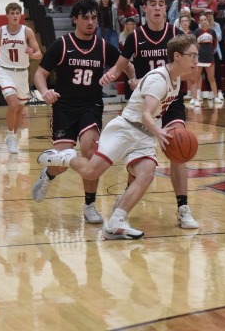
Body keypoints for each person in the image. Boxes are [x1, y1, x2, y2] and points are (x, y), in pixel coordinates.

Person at [38, 33, 199, 239]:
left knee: (146, 174)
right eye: (192, 55)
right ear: (177, 56)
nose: (196, 60)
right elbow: (146, 114)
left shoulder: (174, 80)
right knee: (91, 172)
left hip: (144, 136)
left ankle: (116, 222)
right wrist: (159, 131)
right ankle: (63, 157)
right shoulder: (159, 80)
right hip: (126, 129)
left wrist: (154, 131)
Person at [99, 0, 200, 229]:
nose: (157, 8)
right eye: (152, 4)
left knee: (177, 147)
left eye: (161, 4)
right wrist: (111, 75)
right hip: (147, 102)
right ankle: (124, 202)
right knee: (138, 158)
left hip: (171, 101)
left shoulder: (175, 35)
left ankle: (183, 207)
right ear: (144, 8)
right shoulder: (135, 37)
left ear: (166, 8)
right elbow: (120, 66)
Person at [31, 0, 134, 224]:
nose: (90, 22)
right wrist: (45, 92)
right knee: (62, 162)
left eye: (94, 18)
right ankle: (48, 174)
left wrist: (131, 80)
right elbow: (40, 74)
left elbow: (127, 66)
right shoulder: (62, 44)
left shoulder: (103, 46)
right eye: (85, 18)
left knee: (90, 151)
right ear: (74, 19)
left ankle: (89, 205)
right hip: (64, 108)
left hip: (91, 106)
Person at [0, 3, 42, 154]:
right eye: (12, 13)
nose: (15, 15)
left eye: (17, 13)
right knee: (13, 104)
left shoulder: (27, 31)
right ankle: (11, 136)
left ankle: (12, 136)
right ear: (7, 15)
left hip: (22, 73)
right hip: (5, 72)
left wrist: (32, 54)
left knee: (20, 108)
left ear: (20, 15)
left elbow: (39, 54)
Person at [192, 13, 223, 106]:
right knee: (196, 78)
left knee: (211, 78)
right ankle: (195, 97)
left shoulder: (212, 31)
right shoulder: (196, 32)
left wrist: (209, 51)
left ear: (207, 20)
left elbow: (214, 44)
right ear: (199, 22)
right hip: (199, 58)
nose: (203, 21)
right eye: (201, 20)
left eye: (204, 19)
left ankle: (216, 97)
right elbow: (193, 45)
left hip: (209, 57)